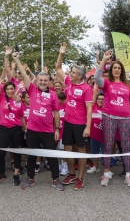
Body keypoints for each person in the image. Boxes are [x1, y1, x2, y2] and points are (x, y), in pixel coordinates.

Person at [11, 52, 63, 191]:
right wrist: (16, 59)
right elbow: (24, 73)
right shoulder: (32, 89)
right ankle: (30, 178)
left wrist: (57, 129)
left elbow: (56, 112)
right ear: (37, 80)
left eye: (45, 80)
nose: (43, 82)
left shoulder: (53, 95)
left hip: (48, 131)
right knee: (32, 156)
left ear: (49, 82)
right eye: (41, 80)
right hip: (33, 130)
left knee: (51, 156)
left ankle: (55, 179)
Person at [94, 50, 130, 187]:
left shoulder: (128, 85)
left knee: (126, 146)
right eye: (114, 67)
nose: (117, 70)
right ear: (111, 69)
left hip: (125, 118)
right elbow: (96, 78)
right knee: (108, 146)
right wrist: (103, 60)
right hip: (109, 117)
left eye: (119, 68)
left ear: (122, 70)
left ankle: (128, 175)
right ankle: (106, 173)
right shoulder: (107, 83)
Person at [56, 42, 93, 191]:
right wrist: (61, 53)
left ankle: (81, 178)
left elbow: (90, 109)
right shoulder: (69, 83)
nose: (70, 74)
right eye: (70, 72)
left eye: (73, 72)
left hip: (81, 124)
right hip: (68, 123)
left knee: (81, 150)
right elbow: (58, 68)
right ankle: (72, 173)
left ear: (80, 75)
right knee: (67, 148)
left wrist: (88, 127)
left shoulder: (86, 88)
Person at [0, 61, 27, 188]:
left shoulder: (18, 102)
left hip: (16, 130)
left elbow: (21, 117)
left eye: (11, 89)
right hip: (4, 129)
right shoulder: (1, 98)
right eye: (8, 89)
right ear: (5, 90)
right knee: (0, 153)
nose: (10, 91)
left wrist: (25, 129)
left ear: (14, 89)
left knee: (17, 153)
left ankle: (16, 175)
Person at [87, 92, 104, 174]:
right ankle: (95, 167)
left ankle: (106, 170)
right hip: (94, 134)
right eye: (99, 99)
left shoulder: (107, 108)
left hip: (105, 135)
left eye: (102, 99)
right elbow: (93, 94)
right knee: (95, 152)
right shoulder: (93, 107)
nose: (100, 101)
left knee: (105, 153)